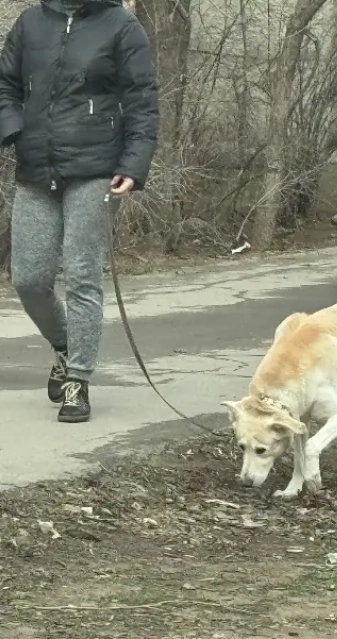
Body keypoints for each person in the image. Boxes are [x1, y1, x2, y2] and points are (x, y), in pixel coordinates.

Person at [0, 0, 159, 423]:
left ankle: (78, 380)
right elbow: (5, 84)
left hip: (96, 170)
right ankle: (66, 345)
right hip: (36, 168)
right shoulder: (31, 22)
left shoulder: (121, 25)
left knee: (81, 275)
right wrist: (13, 130)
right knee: (28, 279)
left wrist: (133, 165)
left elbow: (142, 101)